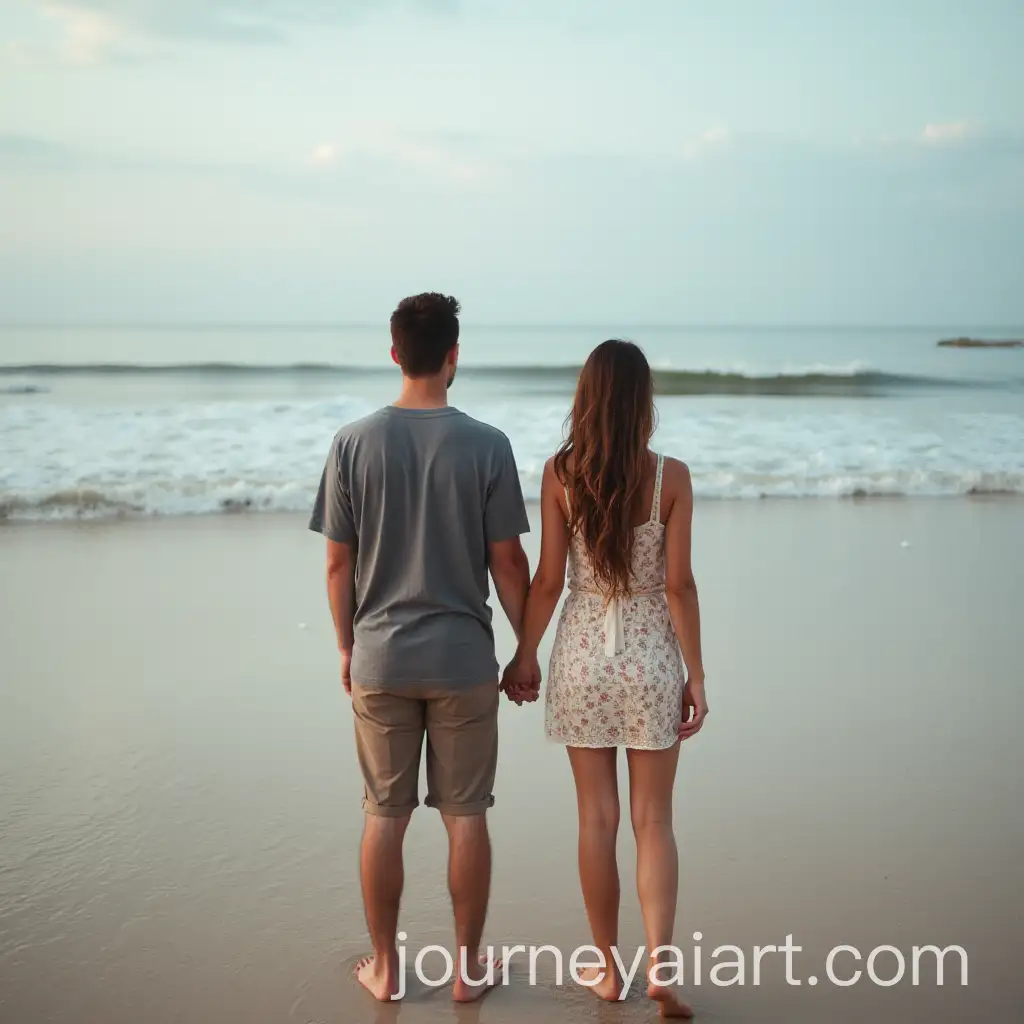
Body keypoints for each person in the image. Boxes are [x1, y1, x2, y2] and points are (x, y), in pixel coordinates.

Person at [310, 293, 532, 1003]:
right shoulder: (488, 444)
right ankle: (468, 973)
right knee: (466, 816)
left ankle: (386, 970)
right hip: (464, 659)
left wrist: (346, 646)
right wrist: (526, 649)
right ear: (455, 355)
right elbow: (508, 564)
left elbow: (338, 566)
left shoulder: (352, 442)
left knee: (384, 814)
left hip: (381, 656)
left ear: (396, 352)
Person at [502, 339, 707, 1019]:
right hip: (651, 655)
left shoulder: (561, 474)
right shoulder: (669, 477)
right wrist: (696, 674)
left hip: (585, 655)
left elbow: (548, 579)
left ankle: (608, 968)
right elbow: (677, 585)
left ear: (585, 399)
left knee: (597, 818)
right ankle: (662, 967)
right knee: (655, 821)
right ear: (643, 401)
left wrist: (524, 653)